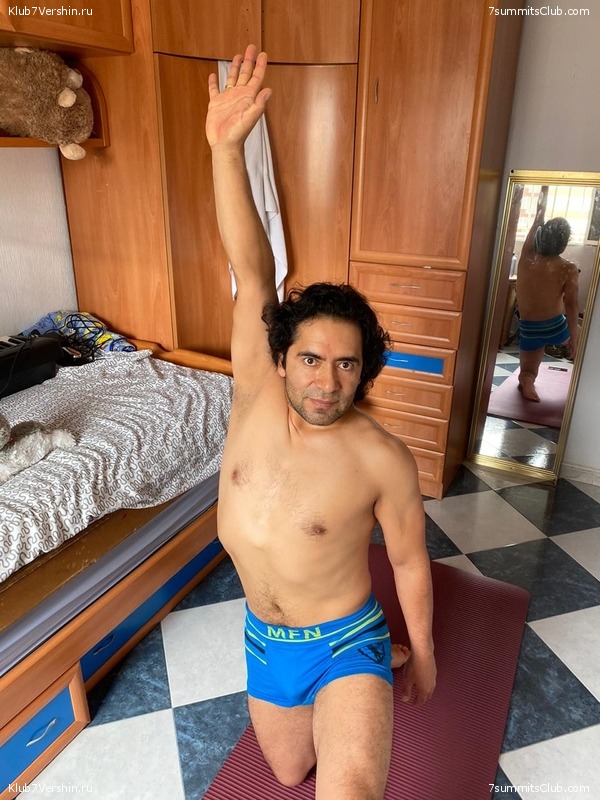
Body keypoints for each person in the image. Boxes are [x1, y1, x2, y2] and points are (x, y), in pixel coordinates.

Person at [206, 45, 436, 799]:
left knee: (350, 789)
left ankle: (376, 664)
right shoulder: (253, 395)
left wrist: (425, 653)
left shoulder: (382, 458)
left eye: (346, 364)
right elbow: (252, 264)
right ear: (279, 359)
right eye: (310, 359)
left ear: (363, 371)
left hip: (343, 640)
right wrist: (226, 151)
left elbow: (408, 562)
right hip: (265, 639)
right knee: (288, 771)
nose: (327, 382)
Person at [516, 185, 580, 401]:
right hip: (556, 327)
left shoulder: (527, 256)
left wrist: (545, 187)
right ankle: (584, 375)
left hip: (528, 328)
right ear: (564, 244)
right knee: (587, 342)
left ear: (540, 236)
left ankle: (527, 381)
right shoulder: (568, 268)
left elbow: (539, 217)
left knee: (528, 370)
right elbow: (571, 305)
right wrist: (574, 337)